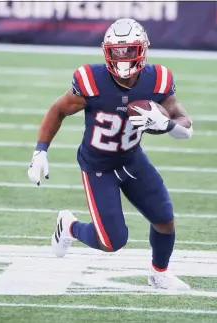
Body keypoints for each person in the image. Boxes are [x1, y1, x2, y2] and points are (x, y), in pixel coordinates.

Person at [28, 18, 192, 290]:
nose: (123, 56)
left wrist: (168, 125)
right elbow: (58, 109)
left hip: (131, 159)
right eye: (117, 50)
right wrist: (40, 151)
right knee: (111, 241)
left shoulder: (158, 79)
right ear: (106, 51)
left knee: (164, 218)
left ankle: (159, 273)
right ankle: (69, 226)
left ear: (143, 49)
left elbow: (186, 125)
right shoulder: (92, 80)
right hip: (98, 166)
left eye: (129, 49)